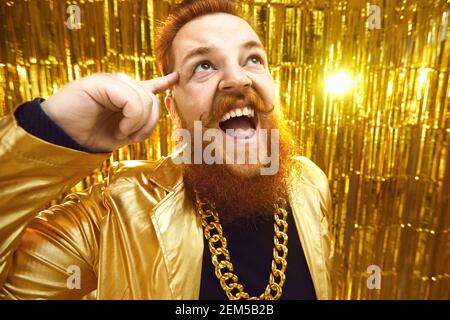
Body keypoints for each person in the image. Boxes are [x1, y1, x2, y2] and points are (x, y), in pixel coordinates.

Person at [0, 0, 334, 300]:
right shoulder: (118, 209)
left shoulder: (310, 184)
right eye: (203, 65)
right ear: (173, 111)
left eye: (253, 59)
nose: (237, 78)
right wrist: (50, 129)